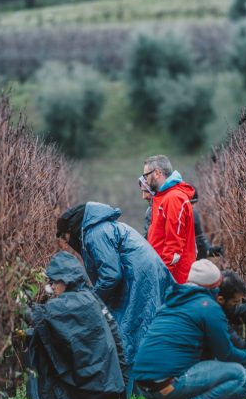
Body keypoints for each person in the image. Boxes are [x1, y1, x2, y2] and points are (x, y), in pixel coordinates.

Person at [56, 202, 174, 385]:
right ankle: (143, 385)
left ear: (72, 229)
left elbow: (111, 275)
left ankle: (131, 387)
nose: (68, 242)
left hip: (140, 279)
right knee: (136, 327)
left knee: (127, 330)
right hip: (141, 276)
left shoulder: (95, 233)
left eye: (66, 236)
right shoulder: (100, 228)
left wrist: (92, 300)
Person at [131, 259, 246, 399]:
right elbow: (227, 354)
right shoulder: (209, 307)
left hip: (145, 386)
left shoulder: (171, 302)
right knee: (237, 374)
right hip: (167, 385)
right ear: (216, 286)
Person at [25, 252, 126, 399]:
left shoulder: (73, 303)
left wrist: (16, 305)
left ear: (65, 280)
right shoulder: (88, 297)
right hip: (108, 386)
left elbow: (40, 316)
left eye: (54, 282)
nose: (52, 288)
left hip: (96, 389)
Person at [142, 155, 196, 283]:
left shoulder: (174, 198)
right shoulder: (162, 197)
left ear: (157, 173)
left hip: (174, 277)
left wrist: (162, 274)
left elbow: (174, 244)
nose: (145, 180)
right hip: (163, 270)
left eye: (146, 175)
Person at [190, 188, 223, 260]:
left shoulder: (194, 215)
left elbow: (199, 236)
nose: (193, 206)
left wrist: (209, 249)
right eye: (191, 203)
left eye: (195, 203)